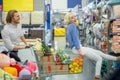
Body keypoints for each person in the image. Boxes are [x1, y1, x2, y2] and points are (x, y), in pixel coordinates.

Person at [64, 12, 120, 80]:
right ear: (69, 19)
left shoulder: (70, 26)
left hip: (78, 47)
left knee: (99, 53)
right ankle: (97, 77)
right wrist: (80, 51)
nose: (74, 18)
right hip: (77, 48)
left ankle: (116, 58)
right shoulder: (72, 26)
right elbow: (75, 39)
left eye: (74, 17)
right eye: (72, 18)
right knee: (99, 59)